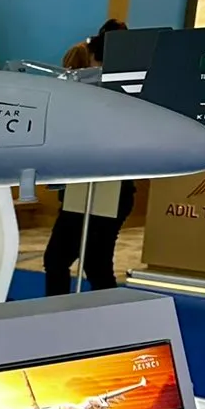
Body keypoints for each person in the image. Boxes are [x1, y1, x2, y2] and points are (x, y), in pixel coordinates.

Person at [43, 19, 133, 295]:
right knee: (66, 261)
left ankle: (92, 315)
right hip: (85, 185)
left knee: (92, 264)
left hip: (107, 188)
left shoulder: (121, 85)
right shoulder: (86, 68)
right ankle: (60, 313)